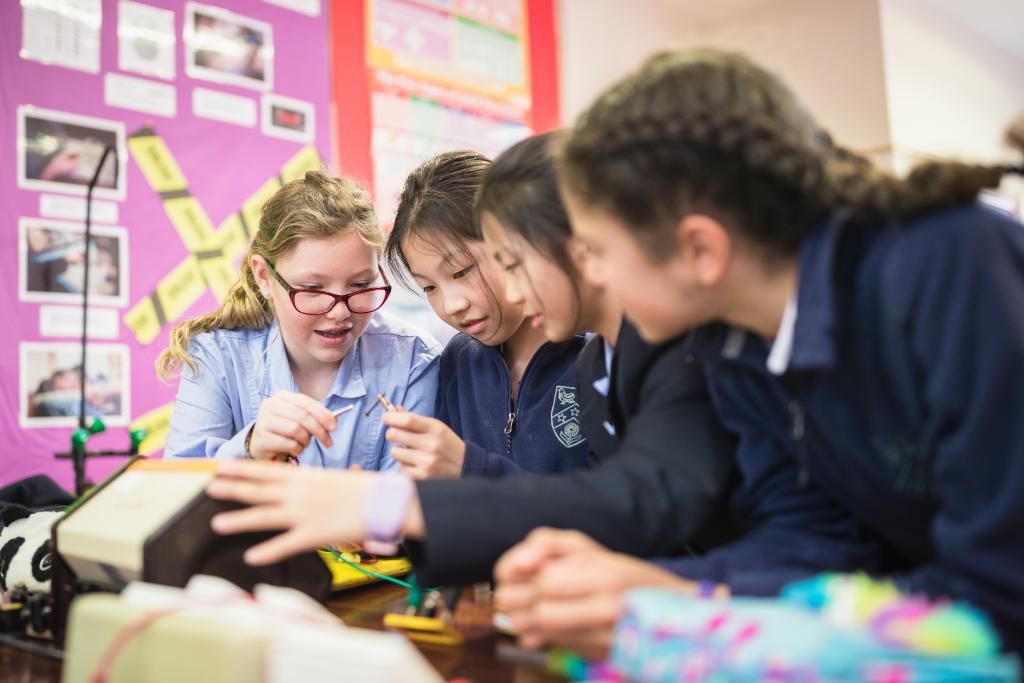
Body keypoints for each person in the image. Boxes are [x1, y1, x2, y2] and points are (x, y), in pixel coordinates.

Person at [493, 49, 1024, 659]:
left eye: (595, 251)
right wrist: (670, 589)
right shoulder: (733, 342)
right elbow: (813, 539)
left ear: (700, 249)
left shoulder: (949, 267)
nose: (592, 275)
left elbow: (998, 594)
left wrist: (688, 612)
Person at [204, 133, 875, 592]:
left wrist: (396, 500)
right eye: (431, 286)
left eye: (502, 264)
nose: (487, 297)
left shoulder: (678, 344)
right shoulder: (588, 362)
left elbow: (645, 502)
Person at [160, 171, 440, 471]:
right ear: (264, 277)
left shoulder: (414, 360)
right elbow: (176, 489)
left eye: (360, 285)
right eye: (313, 289)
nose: (339, 312)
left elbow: (408, 501)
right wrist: (249, 448)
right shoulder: (217, 355)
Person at [379, 149, 588, 478]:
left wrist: (468, 468)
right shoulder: (459, 361)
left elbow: (617, 509)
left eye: (461, 271)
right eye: (428, 288)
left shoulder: (596, 355)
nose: (452, 305)